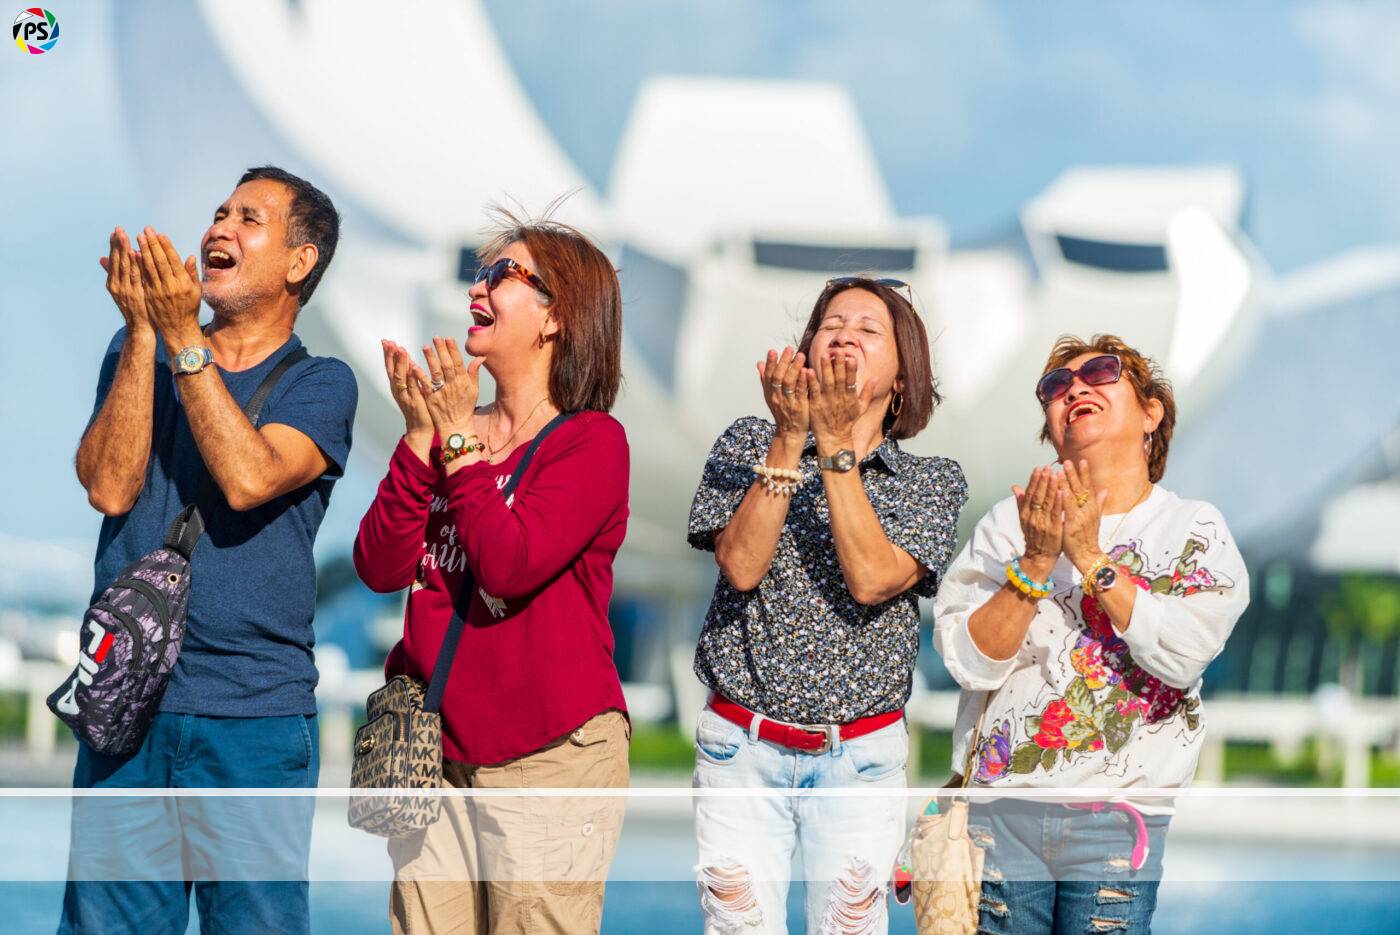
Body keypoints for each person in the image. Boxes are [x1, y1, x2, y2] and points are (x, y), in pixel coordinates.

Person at [61, 166, 356, 934]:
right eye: (220, 212)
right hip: (127, 707)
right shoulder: (142, 352)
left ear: (300, 262)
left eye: (249, 218)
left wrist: (183, 339)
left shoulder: (321, 383)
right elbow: (108, 488)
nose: (219, 228)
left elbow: (249, 475)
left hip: (252, 721)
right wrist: (142, 334)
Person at [353, 213, 631, 935]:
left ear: (556, 318)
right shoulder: (449, 432)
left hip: (551, 753)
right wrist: (421, 438)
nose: (478, 288)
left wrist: (455, 444)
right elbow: (379, 566)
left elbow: (509, 564)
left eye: (503, 275)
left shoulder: (593, 442)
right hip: (436, 758)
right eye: (479, 274)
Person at [932, 333, 1250, 934]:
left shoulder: (1194, 529)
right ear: (1051, 427)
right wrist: (1032, 564)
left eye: (1101, 373)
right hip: (1001, 815)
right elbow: (970, 662)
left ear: (1151, 412)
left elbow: (1182, 656)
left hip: (1119, 818)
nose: (1075, 387)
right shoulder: (1010, 523)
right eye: (1055, 386)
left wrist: (1086, 555)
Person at [686, 276, 967, 934]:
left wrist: (836, 448)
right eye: (830, 323)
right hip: (739, 748)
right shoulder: (748, 441)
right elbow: (741, 563)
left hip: (860, 759)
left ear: (903, 378)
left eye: (869, 329)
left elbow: (871, 576)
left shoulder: (929, 480)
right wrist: (790, 440)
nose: (843, 334)